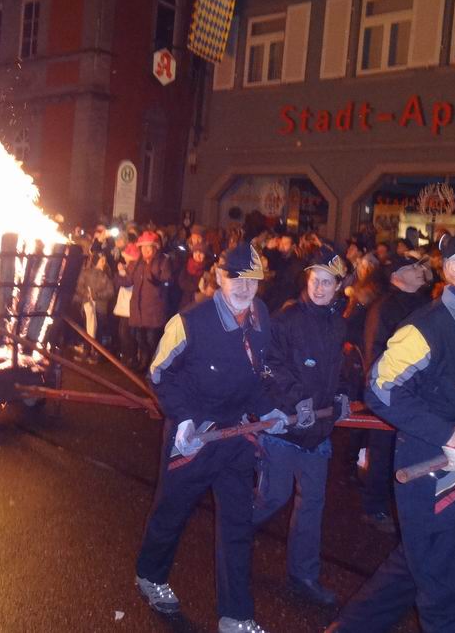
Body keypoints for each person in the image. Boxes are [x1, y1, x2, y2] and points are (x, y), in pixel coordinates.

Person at [135, 242, 287, 633]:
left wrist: (267, 409)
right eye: (235, 277)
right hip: (195, 437)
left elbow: (254, 374)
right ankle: (150, 575)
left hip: (235, 436)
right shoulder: (189, 322)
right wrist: (184, 420)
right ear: (219, 277)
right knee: (172, 512)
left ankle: (235, 616)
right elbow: (160, 373)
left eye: (252, 279)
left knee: (238, 524)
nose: (243, 286)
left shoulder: (261, 315)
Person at [326, 227, 455, 633]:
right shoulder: (427, 327)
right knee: (447, 593)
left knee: (417, 562)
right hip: (433, 472)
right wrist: (450, 436)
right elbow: (380, 388)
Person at [253, 246, 350, 607]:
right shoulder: (287, 319)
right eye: (315, 280)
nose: (320, 288)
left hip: (317, 433)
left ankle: (303, 574)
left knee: (312, 504)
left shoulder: (338, 322)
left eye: (327, 282)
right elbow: (267, 366)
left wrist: (341, 394)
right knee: (273, 497)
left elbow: (341, 370)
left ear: (338, 286)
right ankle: (233, 536)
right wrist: (297, 400)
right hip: (283, 429)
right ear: (306, 281)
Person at [359, 259, 432, 533]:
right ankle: (374, 506)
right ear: (397, 277)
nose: (420, 271)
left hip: (419, 390)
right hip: (393, 392)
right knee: (383, 450)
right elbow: (375, 350)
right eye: (413, 268)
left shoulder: (424, 303)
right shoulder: (386, 308)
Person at [117, 230, 173, 373]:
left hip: (153, 310)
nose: (146, 250)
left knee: (151, 340)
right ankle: (144, 361)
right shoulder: (137, 264)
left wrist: (157, 280)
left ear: (155, 247)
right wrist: (118, 276)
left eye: (149, 247)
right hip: (138, 309)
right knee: (139, 337)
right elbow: (129, 280)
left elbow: (168, 280)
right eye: (143, 247)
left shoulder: (163, 261)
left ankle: (152, 365)